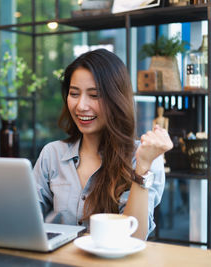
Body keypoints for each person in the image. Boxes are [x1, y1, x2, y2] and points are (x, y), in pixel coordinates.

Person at [33, 49, 173, 240]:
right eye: (74, 93)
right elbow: (23, 219)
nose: (81, 105)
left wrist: (142, 169)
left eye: (94, 95)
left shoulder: (142, 158)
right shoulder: (52, 154)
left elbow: (135, 237)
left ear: (116, 99)